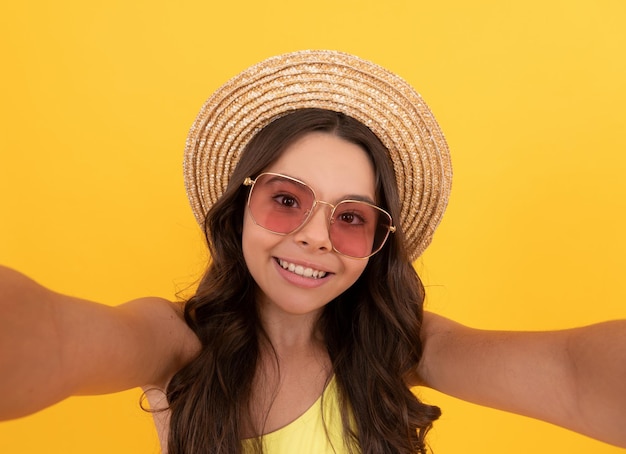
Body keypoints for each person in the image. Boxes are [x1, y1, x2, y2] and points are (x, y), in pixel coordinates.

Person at [1, 50, 625, 454]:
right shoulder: (175, 342)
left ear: (377, 245)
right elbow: (52, 337)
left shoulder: (401, 347)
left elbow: (570, 374)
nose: (317, 237)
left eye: (351, 217)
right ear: (241, 205)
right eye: (287, 199)